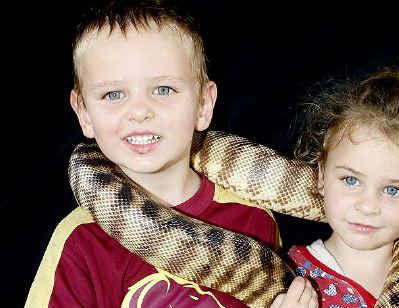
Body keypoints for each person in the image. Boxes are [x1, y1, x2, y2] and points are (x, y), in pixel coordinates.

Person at [24, 1, 317, 307]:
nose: (138, 112)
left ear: (204, 104)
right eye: (113, 94)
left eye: (163, 89)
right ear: (83, 113)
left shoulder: (253, 218)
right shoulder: (80, 241)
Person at [288, 68, 399, 307]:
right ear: (321, 175)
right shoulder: (287, 278)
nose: (367, 206)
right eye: (351, 180)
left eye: (393, 190)